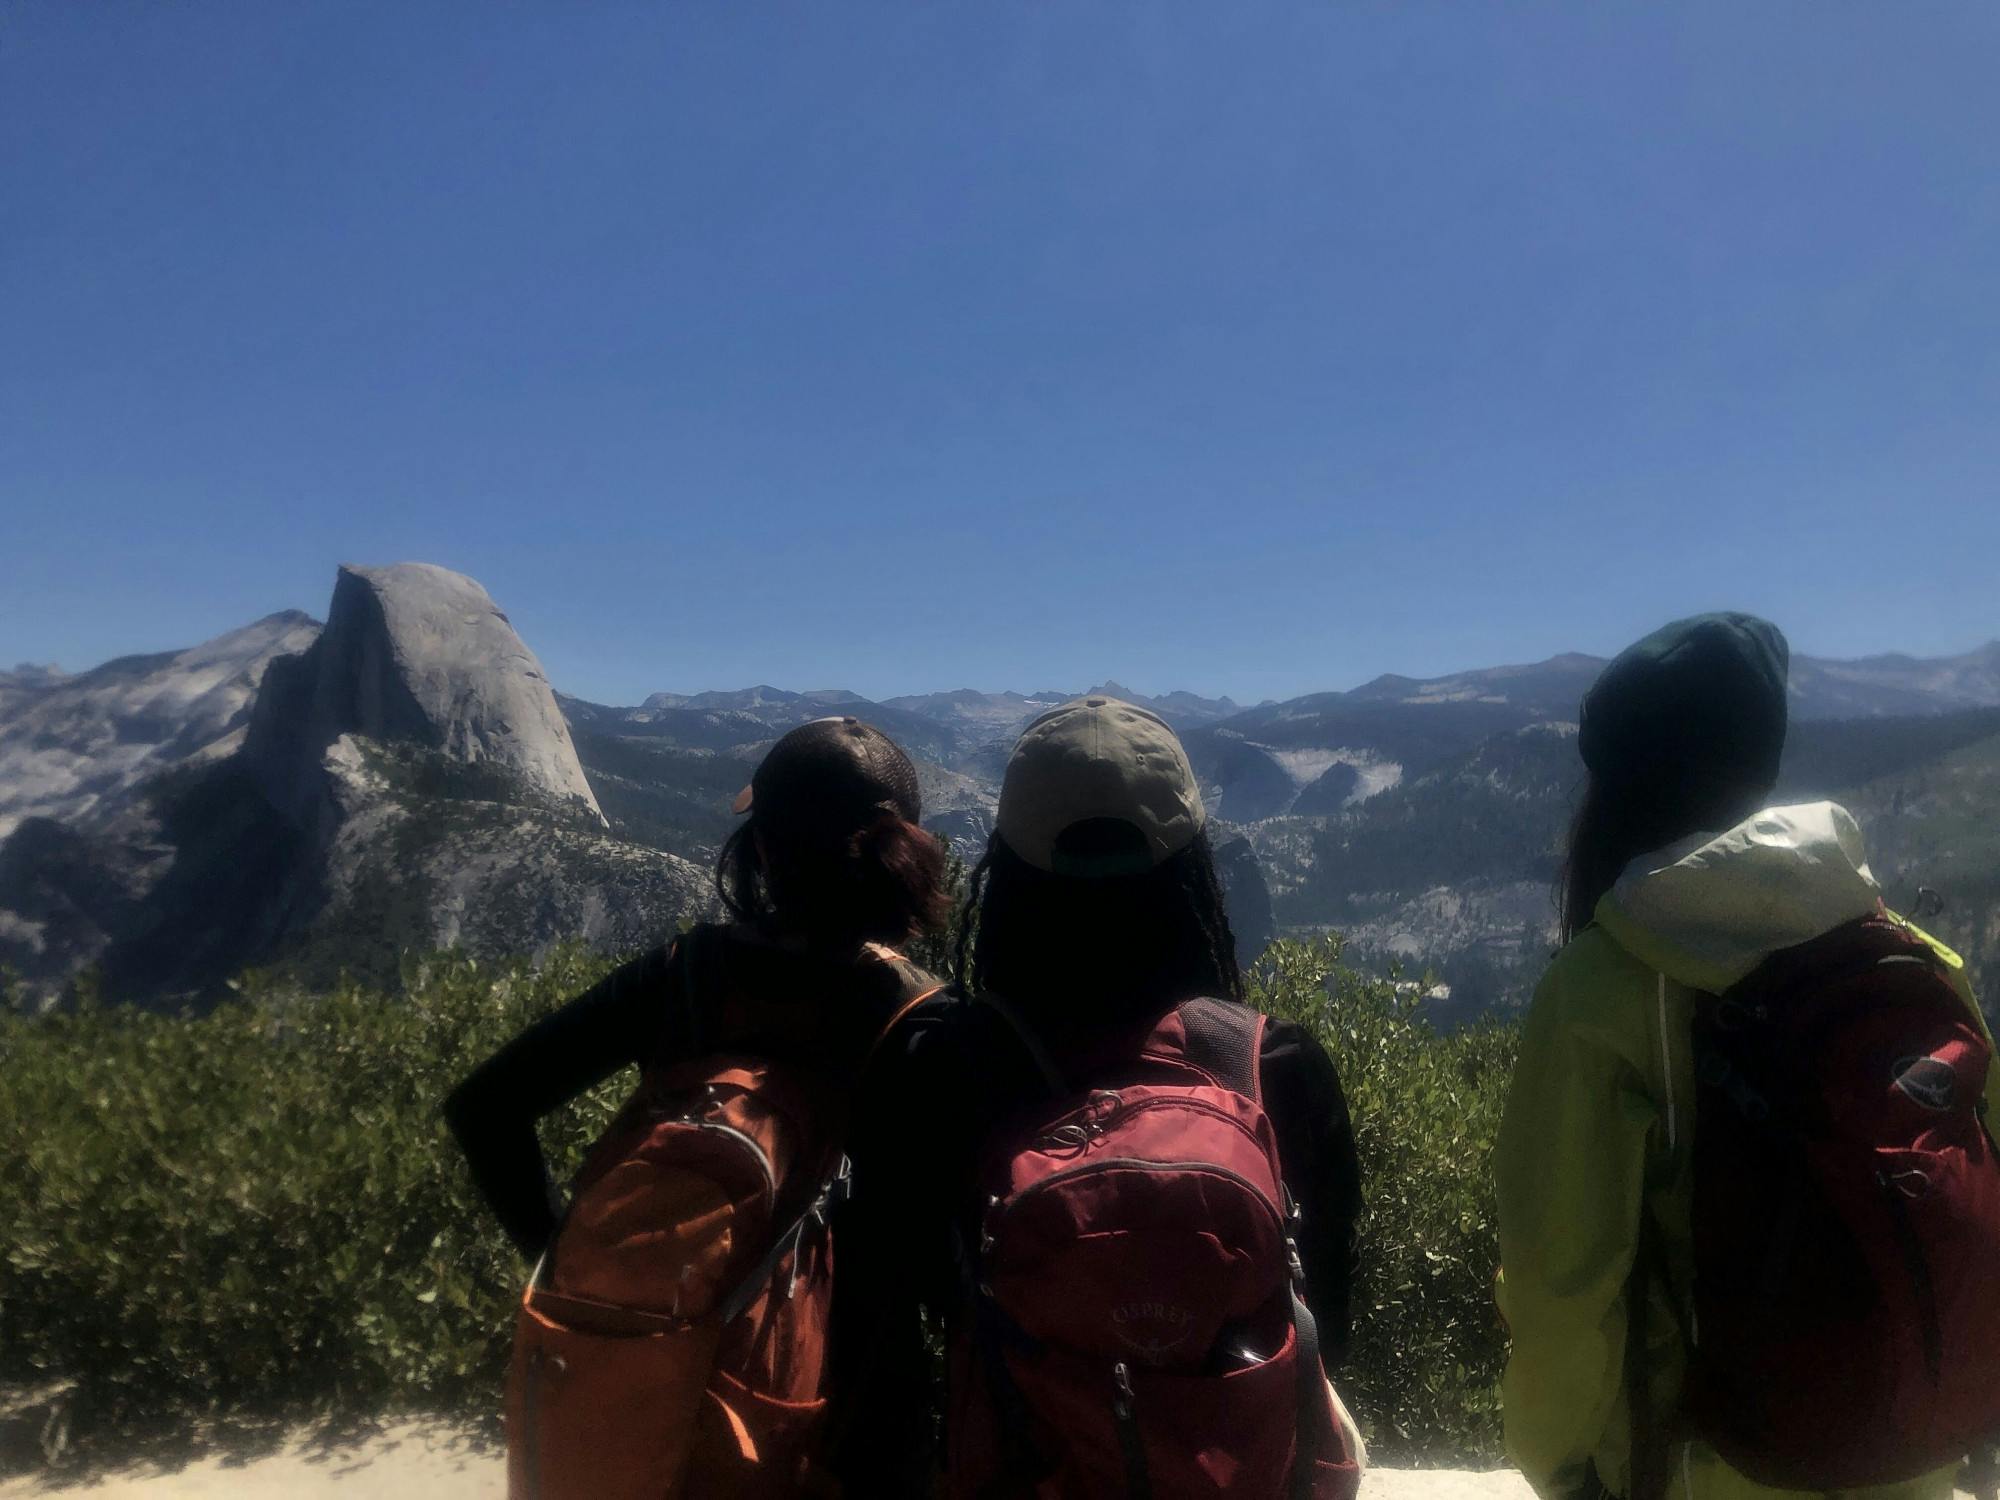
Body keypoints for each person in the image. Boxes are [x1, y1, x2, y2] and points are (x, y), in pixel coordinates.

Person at [1495, 614, 2000, 1500]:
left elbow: (1561, 1286)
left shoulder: (1604, 986)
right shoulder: (1915, 961)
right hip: (1910, 1461)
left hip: (1700, 1469)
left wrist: (1561, 1465)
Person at [859, 695, 1364, 1495]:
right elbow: (1324, 1316)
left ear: (1007, 871)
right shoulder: (1277, 1069)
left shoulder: (936, 1064)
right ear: (1195, 872)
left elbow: (893, 1325)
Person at [444, 716, 951, 1496]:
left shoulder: (685, 977)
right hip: (861, 1424)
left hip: (673, 1385)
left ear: (763, 850)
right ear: (900, 856)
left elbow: (485, 1109)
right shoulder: (918, 1018)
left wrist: (574, 1262)